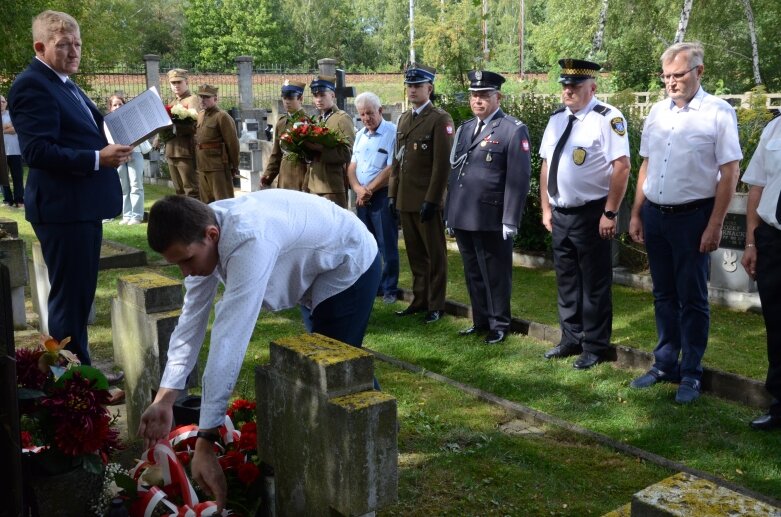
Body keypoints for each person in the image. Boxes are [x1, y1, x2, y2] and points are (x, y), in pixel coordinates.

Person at [138, 190, 381, 511]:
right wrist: (165, 398)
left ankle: (370, 448)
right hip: (314, 263)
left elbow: (230, 338)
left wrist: (206, 439)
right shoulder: (201, 228)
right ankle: (372, 431)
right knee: (326, 373)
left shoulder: (248, 239)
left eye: (186, 260)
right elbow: (190, 322)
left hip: (347, 262)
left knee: (332, 374)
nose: (184, 271)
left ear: (212, 236)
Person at [8, 10, 132, 365]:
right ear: (40, 46)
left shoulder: (64, 82)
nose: (74, 51)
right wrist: (97, 158)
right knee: (69, 300)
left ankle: (80, 379)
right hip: (64, 208)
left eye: (78, 44)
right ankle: (74, 389)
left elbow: (84, 130)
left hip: (81, 206)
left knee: (78, 298)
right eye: (64, 45)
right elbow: (37, 150)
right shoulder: (32, 84)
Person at [628, 42, 742, 403]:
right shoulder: (657, 113)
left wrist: (715, 224)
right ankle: (664, 364)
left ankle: (691, 372)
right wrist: (636, 211)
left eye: (679, 75)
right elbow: (646, 163)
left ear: (699, 72)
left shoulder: (718, 112)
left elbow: (730, 172)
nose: (672, 82)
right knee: (663, 294)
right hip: (656, 215)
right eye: (666, 76)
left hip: (694, 218)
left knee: (692, 299)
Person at [539, 59, 631, 368]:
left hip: (592, 213)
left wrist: (610, 212)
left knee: (594, 283)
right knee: (566, 280)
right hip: (561, 213)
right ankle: (570, 338)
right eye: (564, 85)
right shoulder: (556, 119)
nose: (568, 91)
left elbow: (622, 167)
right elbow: (546, 165)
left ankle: (595, 346)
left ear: (592, 87)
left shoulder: (608, 118)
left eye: (575, 86)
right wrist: (545, 207)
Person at [446, 70, 531, 345]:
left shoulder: (512, 129)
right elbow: (456, 173)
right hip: (464, 213)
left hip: (491, 216)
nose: (478, 101)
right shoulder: (466, 128)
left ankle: (499, 324)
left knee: (495, 274)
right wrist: (451, 212)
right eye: (474, 95)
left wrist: (510, 218)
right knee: (473, 271)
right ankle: (480, 320)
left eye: (484, 95)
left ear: (498, 97)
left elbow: (518, 178)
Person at [389, 64, 454, 324]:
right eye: (410, 85)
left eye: (418, 85)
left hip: (427, 200)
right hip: (406, 198)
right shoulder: (405, 119)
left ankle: (436, 304)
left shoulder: (440, 119)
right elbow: (397, 161)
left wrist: (433, 199)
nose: (413, 90)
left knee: (435, 255)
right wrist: (393, 194)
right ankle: (419, 299)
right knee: (415, 254)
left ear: (430, 88)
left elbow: (442, 164)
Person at [740, 115, 781, 431]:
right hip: (773, 238)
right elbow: (757, 187)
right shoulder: (774, 127)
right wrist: (751, 241)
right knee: (777, 325)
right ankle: (779, 405)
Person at [347, 92, 400, 304]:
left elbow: (391, 167)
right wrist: (357, 189)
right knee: (367, 245)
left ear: (380, 111)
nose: (366, 118)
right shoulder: (360, 135)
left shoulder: (392, 133)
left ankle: (389, 289)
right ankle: (374, 285)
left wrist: (367, 189)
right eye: (362, 114)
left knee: (386, 244)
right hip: (362, 197)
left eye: (370, 113)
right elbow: (352, 166)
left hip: (381, 196)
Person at [304, 75, 355, 208]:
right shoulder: (316, 120)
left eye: (322, 95)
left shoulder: (342, 118)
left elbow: (348, 153)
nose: (318, 99)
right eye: (315, 96)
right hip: (314, 184)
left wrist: (319, 149)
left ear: (332, 95)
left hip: (332, 187)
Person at [260, 80, 309, 191]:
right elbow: (276, 154)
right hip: (284, 176)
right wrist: (268, 175)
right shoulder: (281, 122)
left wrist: (307, 184)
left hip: (300, 175)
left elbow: (312, 158)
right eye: (284, 98)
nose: (287, 102)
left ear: (300, 99)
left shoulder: (307, 122)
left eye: (291, 98)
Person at [194, 84, 239, 203]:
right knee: (207, 204)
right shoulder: (200, 115)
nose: (203, 100)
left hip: (218, 166)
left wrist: (234, 165)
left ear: (215, 99)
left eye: (207, 97)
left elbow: (232, 143)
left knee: (223, 202)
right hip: (203, 165)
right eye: (201, 97)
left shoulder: (222, 116)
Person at [107, 94, 146, 224]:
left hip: (135, 153)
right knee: (123, 186)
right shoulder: (108, 123)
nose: (118, 107)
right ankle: (127, 215)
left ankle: (136, 215)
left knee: (136, 185)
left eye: (120, 104)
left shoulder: (132, 119)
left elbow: (140, 134)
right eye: (115, 105)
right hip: (119, 156)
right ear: (110, 108)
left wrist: (130, 148)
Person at [164, 68, 201, 199]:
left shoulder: (192, 99)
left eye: (179, 82)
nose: (176, 85)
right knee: (179, 191)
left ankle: (196, 218)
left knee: (191, 190)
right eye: (173, 83)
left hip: (185, 151)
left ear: (186, 82)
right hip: (171, 150)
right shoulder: (173, 102)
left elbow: (197, 125)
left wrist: (175, 127)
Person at [2, 95, 24, 208]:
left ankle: (19, 200)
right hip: (1, 153)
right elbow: (11, 129)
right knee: (3, 178)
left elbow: (17, 128)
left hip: (15, 151)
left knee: (17, 177)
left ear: (6, 103)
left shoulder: (12, 114)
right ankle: (7, 200)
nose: (1, 103)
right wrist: (6, 127)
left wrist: (3, 129)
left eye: (3, 101)